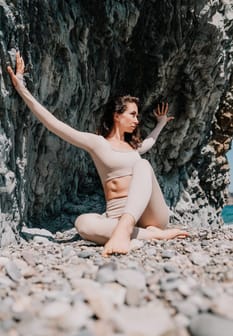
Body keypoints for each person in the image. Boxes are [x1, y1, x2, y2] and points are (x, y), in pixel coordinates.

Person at [7, 52, 189, 257]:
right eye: (132, 114)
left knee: (143, 165)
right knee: (82, 223)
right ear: (116, 115)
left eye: (137, 115)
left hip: (152, 215)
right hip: (115, 215)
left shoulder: (133, 148)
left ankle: (127, 229)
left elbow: (150, 142)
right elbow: (54, 124)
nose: (137, 120)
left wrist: (162, 123)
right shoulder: (97, 143)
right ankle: (152, 236)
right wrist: (22, 88)